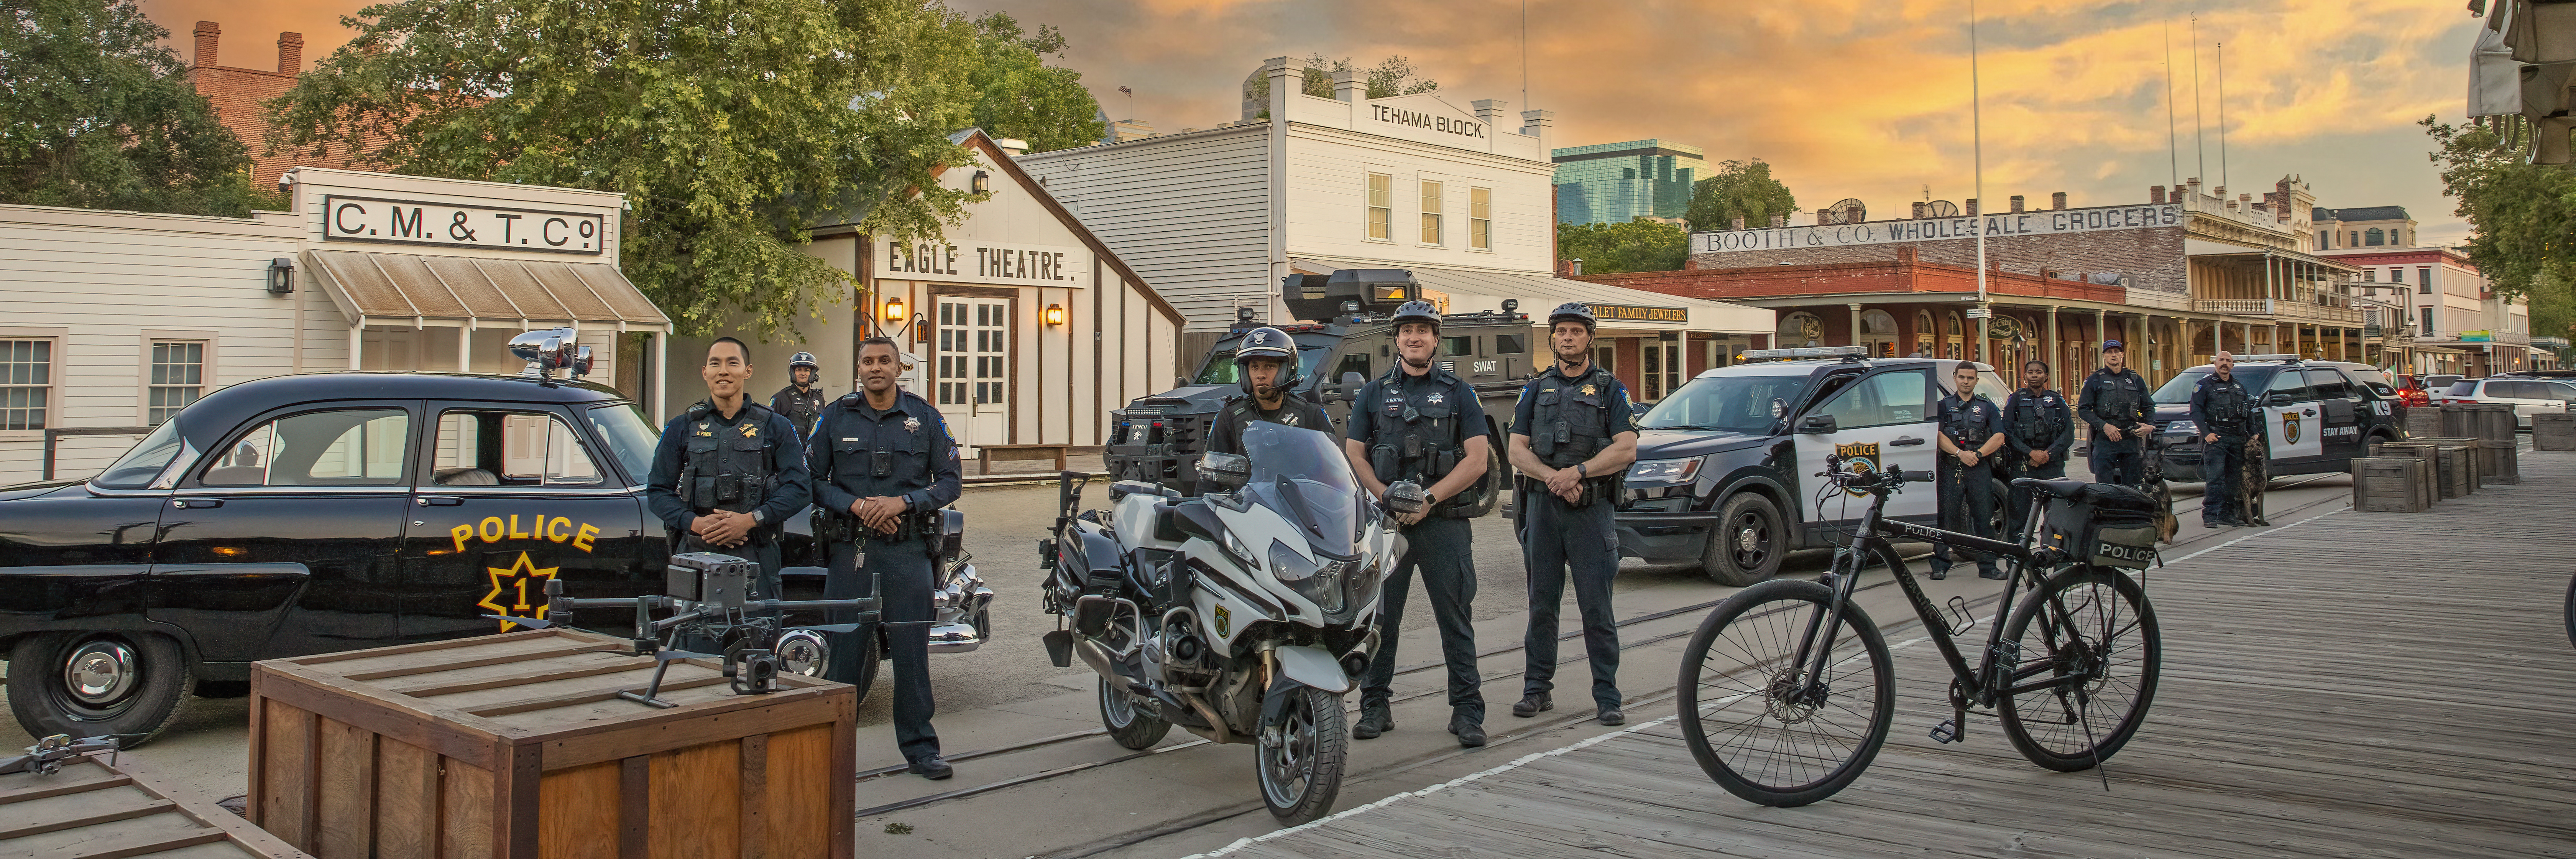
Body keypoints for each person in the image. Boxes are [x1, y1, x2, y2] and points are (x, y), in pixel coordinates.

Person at [808, 337, 962, 779]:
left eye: (884, 361)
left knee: (913, 651)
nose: (876, 367)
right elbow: (812, 479)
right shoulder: (835, 416)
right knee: (845, 653)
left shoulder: (925, 417)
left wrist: (902, 504)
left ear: (900, 367)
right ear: (858, 368)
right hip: (851, 549)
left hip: (908, 549)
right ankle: (830, 754)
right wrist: (859, 506)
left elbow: (950, 481)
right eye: (867, 361)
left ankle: (921, 750)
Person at [1344, 299, 1493, 747]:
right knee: (1380, 621)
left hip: (1442, 522)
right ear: (1396, 339)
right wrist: (1383, 495)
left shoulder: (1459, 393)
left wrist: (1428, 499)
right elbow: (1355, 454)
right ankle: (1375, 706)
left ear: (1436, 339)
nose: (1415, 337)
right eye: (1407, 330)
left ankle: (1467, 711)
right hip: (1388, 526)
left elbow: (1479, 459)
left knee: (1456, 618)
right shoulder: (1372, 394)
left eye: (1423, 331)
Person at [1504, 303, 1638, 726]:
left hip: (1591, 512)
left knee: (1597, 607)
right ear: (1553, 339)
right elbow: (1515, 448)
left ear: (1590, 339)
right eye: (1561, 331)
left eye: (1577, 332)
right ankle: (1536, 689)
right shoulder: (1535, 388)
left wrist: (1578, 472)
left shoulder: (1610, 389)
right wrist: (1552, 477)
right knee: (1541, 605)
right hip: (1544, 510)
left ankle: (1607, 696)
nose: (1568, 338)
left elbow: (1627, 447)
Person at [646, 337, 812, 599]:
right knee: (698, 636)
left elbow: (801, 488)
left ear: (748, 370)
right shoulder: (681, 427)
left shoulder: (776, 426)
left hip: (758, 557)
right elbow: (657, 492)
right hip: (696, 557)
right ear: (705, 372)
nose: (723, 371)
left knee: (757, 637)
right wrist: (697, 524)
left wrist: (749, 521)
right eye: (715, 363)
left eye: (732, 363)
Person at [1933, 362, 2006, 580]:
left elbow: (1999, 437)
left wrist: (1979, 455)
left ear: (1976, 380)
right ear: (1955, 378)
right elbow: (1936, 435)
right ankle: (1940, 565)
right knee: (1946, 517)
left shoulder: (1987, 407)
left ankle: (1988, 567)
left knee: (1984, 517)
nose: (1966, 381)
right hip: (1951, 467)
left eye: (1970, 378)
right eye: (1962, 377)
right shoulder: (1942, 406)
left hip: (1979, 467)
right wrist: (1959, 453)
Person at [1207, 327, 1331, 455]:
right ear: (1245, 373)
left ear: (1286, 370)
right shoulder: (1228, 418)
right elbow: (1213, 469)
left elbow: (1332, 468)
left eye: (1269, 366)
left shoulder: (1311, 415)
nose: (1260, 375)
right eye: (1255, 367)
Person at [2187, 351, 2262, 528]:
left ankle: (2228, 515)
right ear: (2215, 363)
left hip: (2237, 439)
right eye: (2222, 360)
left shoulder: (2239, 387)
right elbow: (2195, 412)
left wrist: (2254, 432)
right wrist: (2206, 433)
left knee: (2234, 479)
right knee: (2216, 478)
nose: (2225, 364)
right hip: (2216, 438)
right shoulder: (2204, 385)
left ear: (2232, 366)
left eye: (2229, 361)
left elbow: (2248, 412)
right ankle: (2211, 515)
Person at [2000, 359, 2074, 539]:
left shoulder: (2057, 400)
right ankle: (2016, 562)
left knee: (2056, 516)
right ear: (2025, 377)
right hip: (2024, 465)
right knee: (2019, 518)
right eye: (2031, 372)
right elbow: (2007, 433)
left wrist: (2047, 454)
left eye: (2039, 372)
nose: (2035, 375)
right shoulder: (2015, 400)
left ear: (2046, 376)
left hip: (2053, 465)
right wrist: (2031, 453)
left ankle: (2053, 555)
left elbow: (2069, 433)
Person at [2077, 339, 2153, 487]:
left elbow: (2149, 406)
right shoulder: (2095, 379)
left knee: (2134, 486)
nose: (2114, 355)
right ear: (2104, 356)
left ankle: (2130, 510)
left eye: (2117, 352)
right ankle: (2107, 511)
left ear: (2122, 355)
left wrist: (2150, 426)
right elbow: (2084, 409)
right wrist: (2104, 426)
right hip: (2105, 440)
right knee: (2105, 486)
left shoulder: (2135, 379)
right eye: (2109, 352)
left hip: (2131, 439)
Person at [770, 351, 830, 439]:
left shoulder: (819, 398)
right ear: (793, 373)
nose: (803, 373)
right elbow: (771, 430)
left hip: (814, 451)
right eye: (799, 370)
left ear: (812, 373)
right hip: (790, 450)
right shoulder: (780, 398)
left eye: (807, 370)